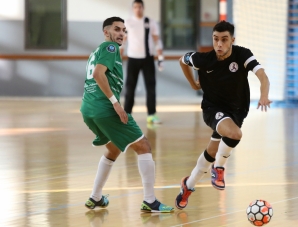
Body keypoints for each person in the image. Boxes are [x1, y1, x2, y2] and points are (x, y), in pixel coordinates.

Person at [175, 21, 271, 209]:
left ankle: (188, 186)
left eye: (224, 40)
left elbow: (262, 75)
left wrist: (264, 95)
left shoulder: (242, 54)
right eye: (216, 39)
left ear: (232, 40)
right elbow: (182, 60)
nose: (219, 44)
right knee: (234, 134)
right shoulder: (203, 59)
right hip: (213, 109)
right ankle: (219, 168)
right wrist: (192, 82)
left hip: (237, 111)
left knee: (212, 152)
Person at [80, 16, 173, 213]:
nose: (121, 33)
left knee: (113, 149)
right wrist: (116, 104)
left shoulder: (97, 50)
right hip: (104, 108)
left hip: (88, 109)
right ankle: (150, 201)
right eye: (117, 29)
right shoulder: (110, 48)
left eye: (124, 30)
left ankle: (96, 197)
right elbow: (98, 74)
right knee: (144, 146)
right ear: (106, 32)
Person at [121, 0, 164, 124]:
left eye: (139, 7)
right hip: (133, 58)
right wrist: (118, 58)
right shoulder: (128, 23)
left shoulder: (150, 22)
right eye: (135, 7)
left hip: (147, 59)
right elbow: (123, 41)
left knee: (151, 87)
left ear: (143, 8)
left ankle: (151, 115)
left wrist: (160, 59)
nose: (137, 9)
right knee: (130, 87)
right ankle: (127, 115)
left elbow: (157, 40)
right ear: (133, 9)